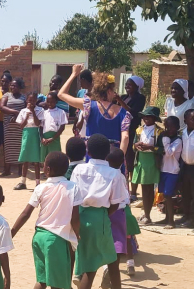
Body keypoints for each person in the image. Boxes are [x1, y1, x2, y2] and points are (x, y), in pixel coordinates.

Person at [12, 151, 83, 289]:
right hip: (56, 240)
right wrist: (77, 234)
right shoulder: (73, 187)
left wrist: (12, 231)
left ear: (48, 170)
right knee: (59, 284)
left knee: (42, 280)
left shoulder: (40, 188)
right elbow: (75, 217)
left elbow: (26, 213)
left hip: (39, 237)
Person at [69, 134, 130, 289]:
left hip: (80, 216)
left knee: (89, 266)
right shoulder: (114, 174)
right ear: (107, 154)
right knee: (111, 264)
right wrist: (102, 215)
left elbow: (73, 197)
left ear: (88, 151)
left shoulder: (79, 169)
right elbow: (116, 204)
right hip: (101, 218)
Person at [58, 64, 132, 155]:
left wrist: (74, 74)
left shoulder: (88, 105)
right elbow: (125, 137)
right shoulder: (123, 112)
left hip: (93, 158)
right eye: (113, 90)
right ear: (109, 91)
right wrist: (119, 159)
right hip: (113, 159)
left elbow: (61, 94)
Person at [100, 148, 131, 289]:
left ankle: (106, 267)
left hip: (106, 211)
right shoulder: (122, 176)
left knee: (105, 242)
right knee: (118, 244)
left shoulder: (107, 175)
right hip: (120, 213)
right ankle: (113, 268)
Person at [131, 107, 163, 225]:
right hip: (141, 161)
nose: (145, 118)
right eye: (144, 116)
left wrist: (150, 147)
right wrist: (137, 145)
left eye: (148, 116)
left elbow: (161, 149)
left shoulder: (159, 132)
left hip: (152, 161)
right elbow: (133, 147)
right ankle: (146, 214)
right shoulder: (139, 130)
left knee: (148, 189)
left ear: (154, 118)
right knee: (144, 188)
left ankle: (148, 215)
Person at [120, 76, 147, 197]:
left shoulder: (140, 98)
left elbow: (133, 113)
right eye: (126, 84)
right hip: (122, 130)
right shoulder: (123, 97)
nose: (127, 87)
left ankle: (133, 191)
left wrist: (120, 103)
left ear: (137, 86)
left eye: (130, 85)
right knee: (122, 159)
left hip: (132, 131)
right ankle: (124, 188)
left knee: (131, 159)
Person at [15, 92, 43, 190]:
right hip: (26, 134)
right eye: (30, 100)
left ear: (36, 101)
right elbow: (21, 126)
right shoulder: (23, 111)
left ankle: (38, 183)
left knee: (36, 161)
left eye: (33, 100)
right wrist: (27, 117)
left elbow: (38, 123)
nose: (31, 102)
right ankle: (23, 182)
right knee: (25, 158)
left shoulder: (40, 110)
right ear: (27, 100)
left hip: (35, 134)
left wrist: (33, 112)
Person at [0, 78, 27, 176]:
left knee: (20, 147)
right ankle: (7, 170)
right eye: (11, 85)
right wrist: (15, 112)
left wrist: (18, 116)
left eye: (14, 86)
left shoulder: (24, 97)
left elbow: (26, 110)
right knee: (8, 148)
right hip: (9, 126)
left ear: (19, 87)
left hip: (19, 127)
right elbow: (2, 107)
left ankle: (20, 170)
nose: (12, 87)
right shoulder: (7, 95)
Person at [40, 91, 68, 163]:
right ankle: (46, 172)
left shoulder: (61, 112)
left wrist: (53, 138)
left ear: (56, 101)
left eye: (52, 102)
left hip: (54, 137)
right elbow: (41, 127)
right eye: (48, 101)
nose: (49, 104)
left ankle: (55, 173)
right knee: (45, 157)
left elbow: (62, 127)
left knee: (55, 157)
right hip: (45, 138)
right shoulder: (44, 113)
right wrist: (42, 138)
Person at [0, 72, 12, 173]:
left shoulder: (11, 92)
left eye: (6, 82)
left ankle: (6, 167)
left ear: (10, 83)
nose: (4, 83)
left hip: (7, 123)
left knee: (6, 146)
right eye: (2, 81)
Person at [179, 109, 194, 228]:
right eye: (192, 119)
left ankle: (192, 219)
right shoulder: (182, 133)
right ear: (185, 120)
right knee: (185, 192)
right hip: (185, 166)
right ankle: (186, 215)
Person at [74, 70, 94, 137]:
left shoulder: (95, 94)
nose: (80, 83)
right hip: (80, 123)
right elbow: (78, 110)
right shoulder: (81, 92)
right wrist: (75, 123)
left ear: (83, 80)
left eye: (80, 81)